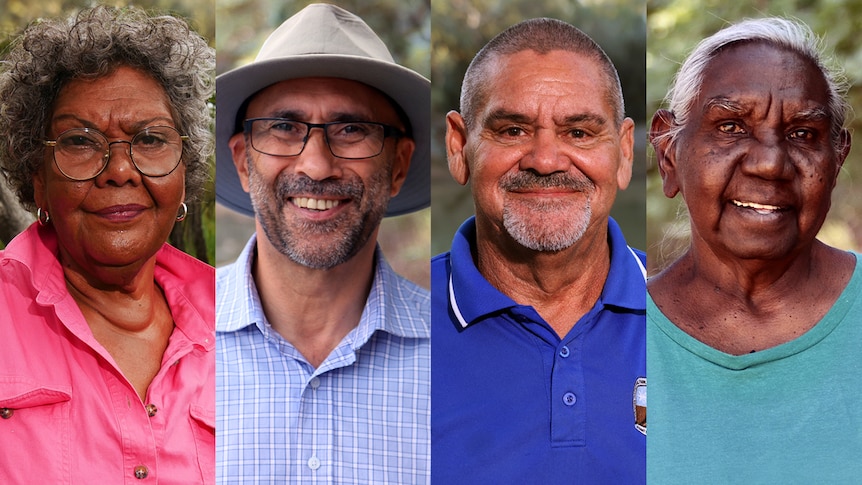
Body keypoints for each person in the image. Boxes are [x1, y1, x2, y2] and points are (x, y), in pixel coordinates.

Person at [214, 4, 430, 483]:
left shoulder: (454, 357)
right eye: (285, 127)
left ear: (397, 167)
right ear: (244, 163)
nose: (316, 166)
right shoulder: (172, 335)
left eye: (351, 129)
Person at [0, 5, 215, 483]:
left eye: (151, 139)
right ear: (38, 178)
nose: (120, 171)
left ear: (185, 172)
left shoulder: (240, 323)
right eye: (80, 141)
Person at [432, 17, 646, 483]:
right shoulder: (403, 323)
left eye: (580, 133)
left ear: (625, 152)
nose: (546, 160)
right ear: (459, 146)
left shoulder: (692, 315)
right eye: (512, 131)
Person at [648, 17, 861, 482]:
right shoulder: (612, 330)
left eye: (804, 133)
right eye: (730, 126)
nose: (769, 163)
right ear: (669, 154)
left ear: (837, 158)